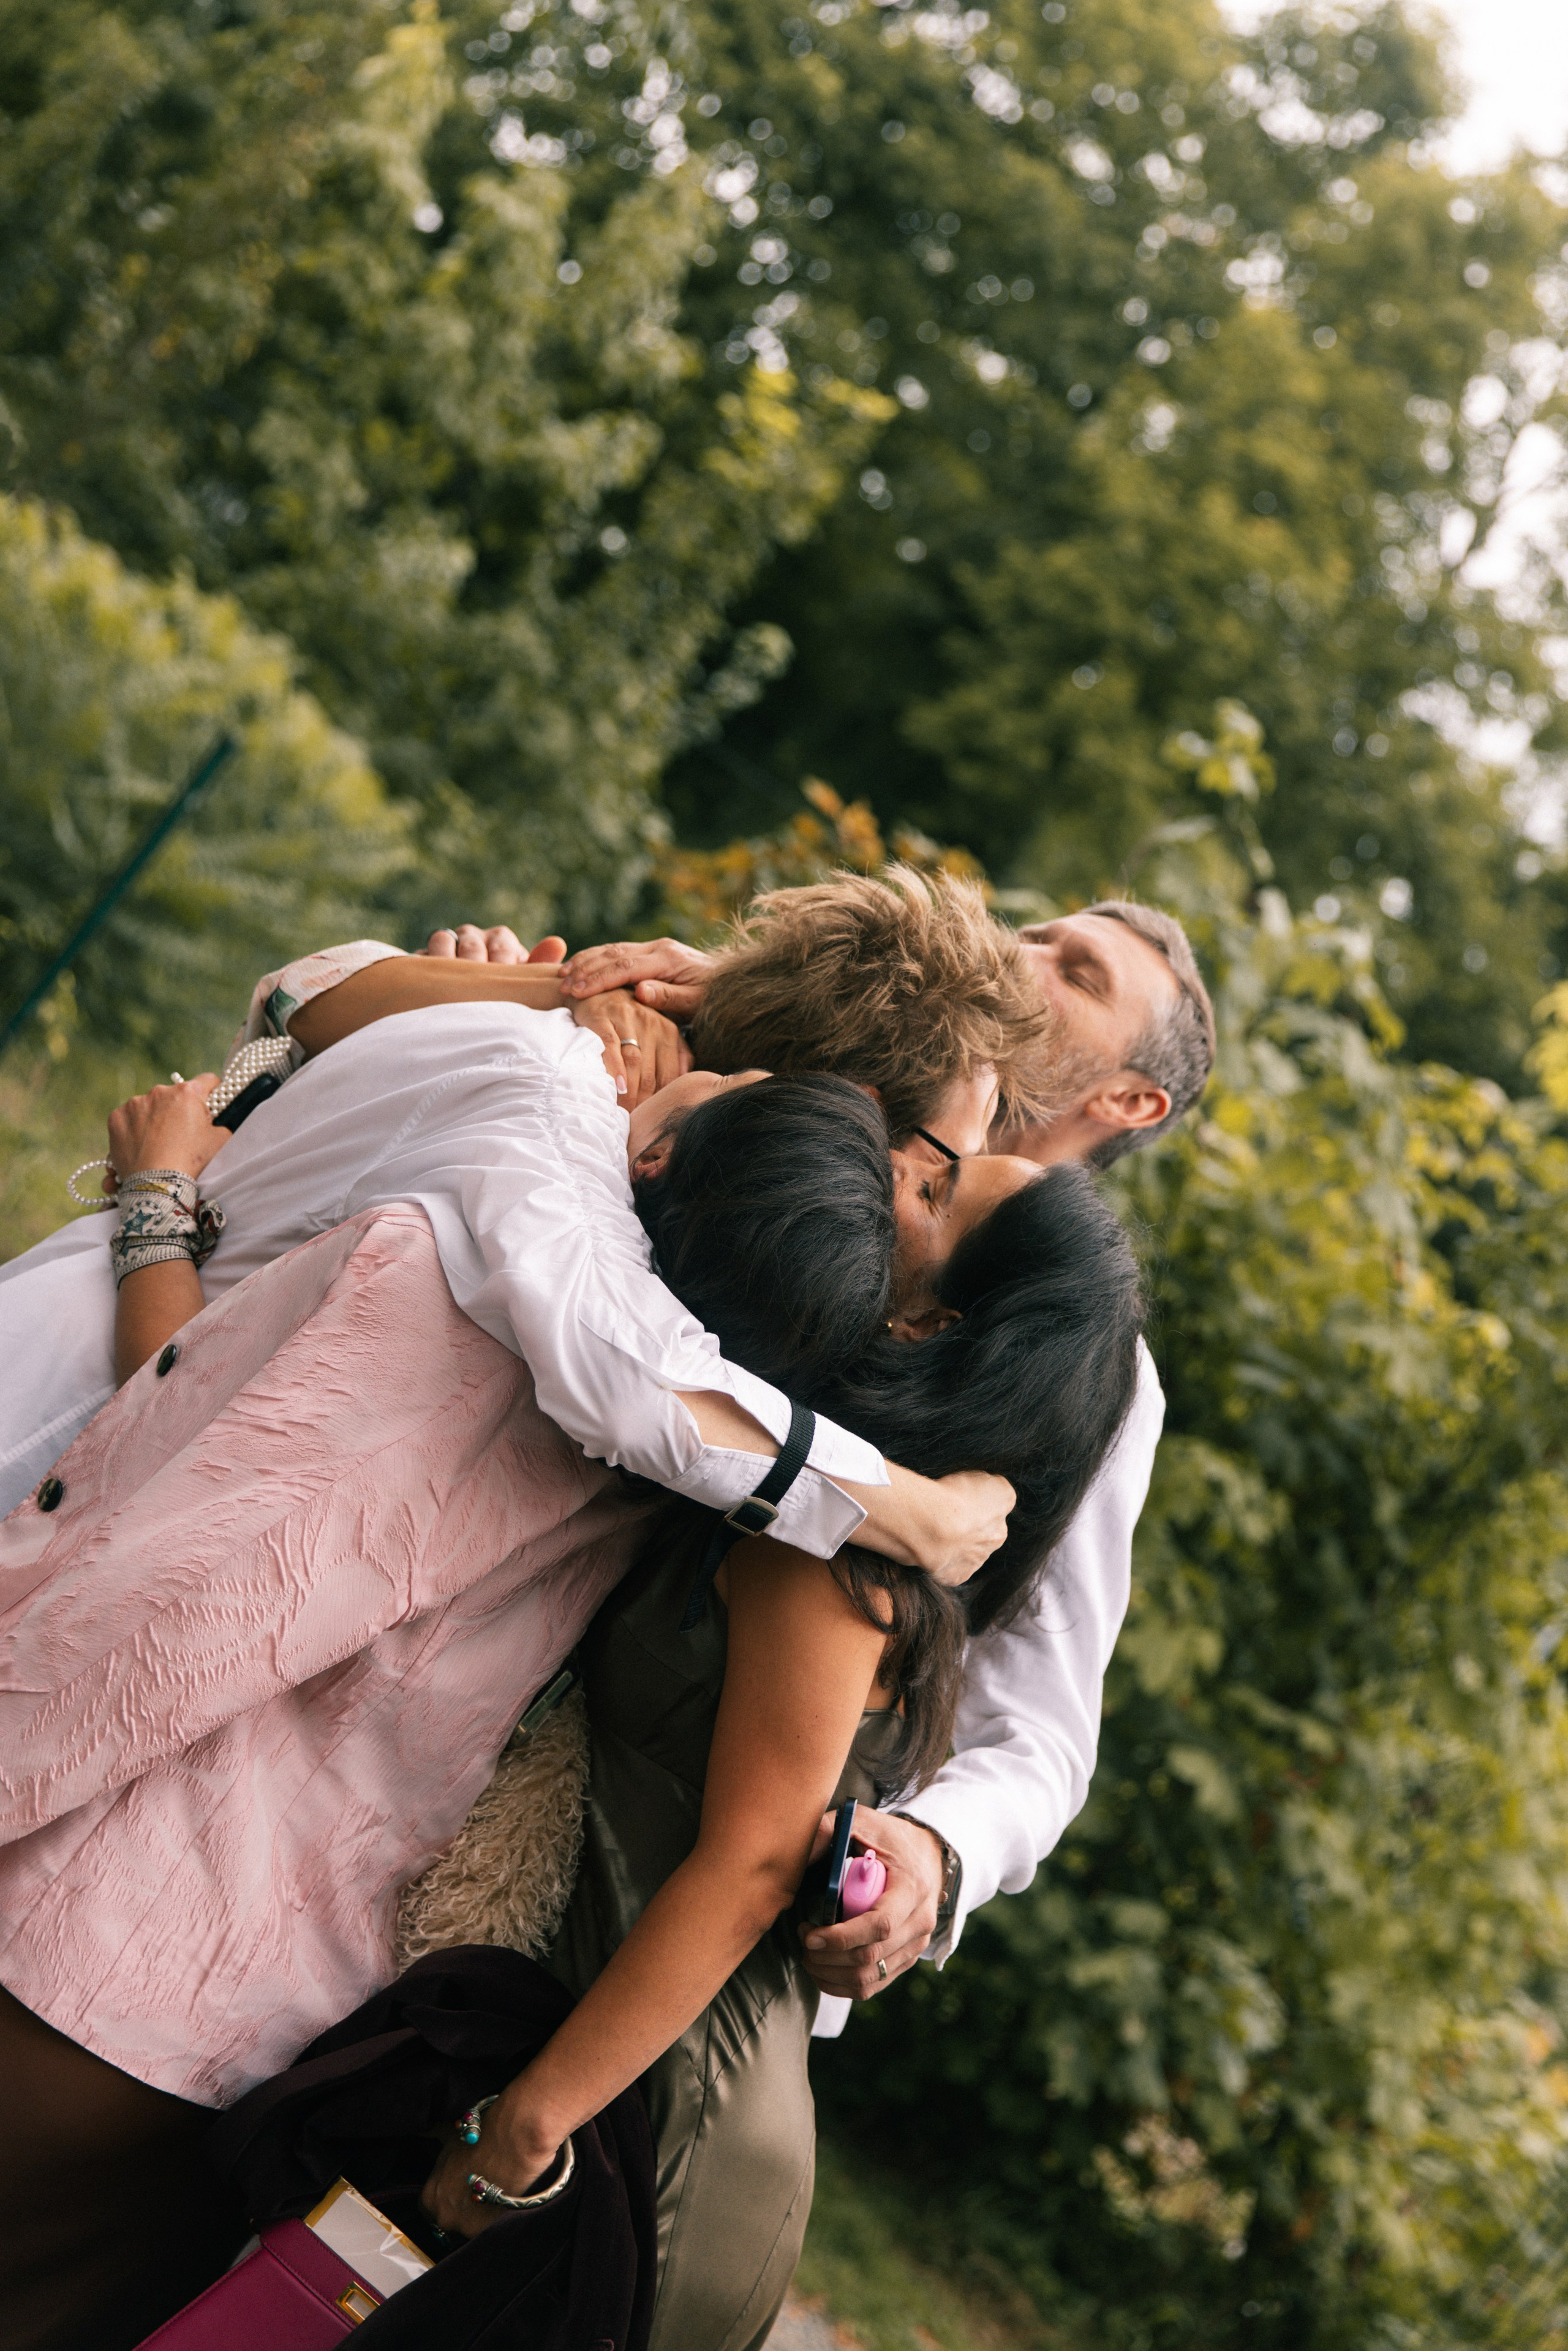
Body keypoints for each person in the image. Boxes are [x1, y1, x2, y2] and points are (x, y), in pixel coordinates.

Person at [0, 1040, 1011, 2349]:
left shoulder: (441, 1268)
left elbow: (178, 1576)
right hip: (267, 2025)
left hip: (84, 1955)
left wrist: (156, 1204)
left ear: (655, 1157)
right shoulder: (688, 1477)